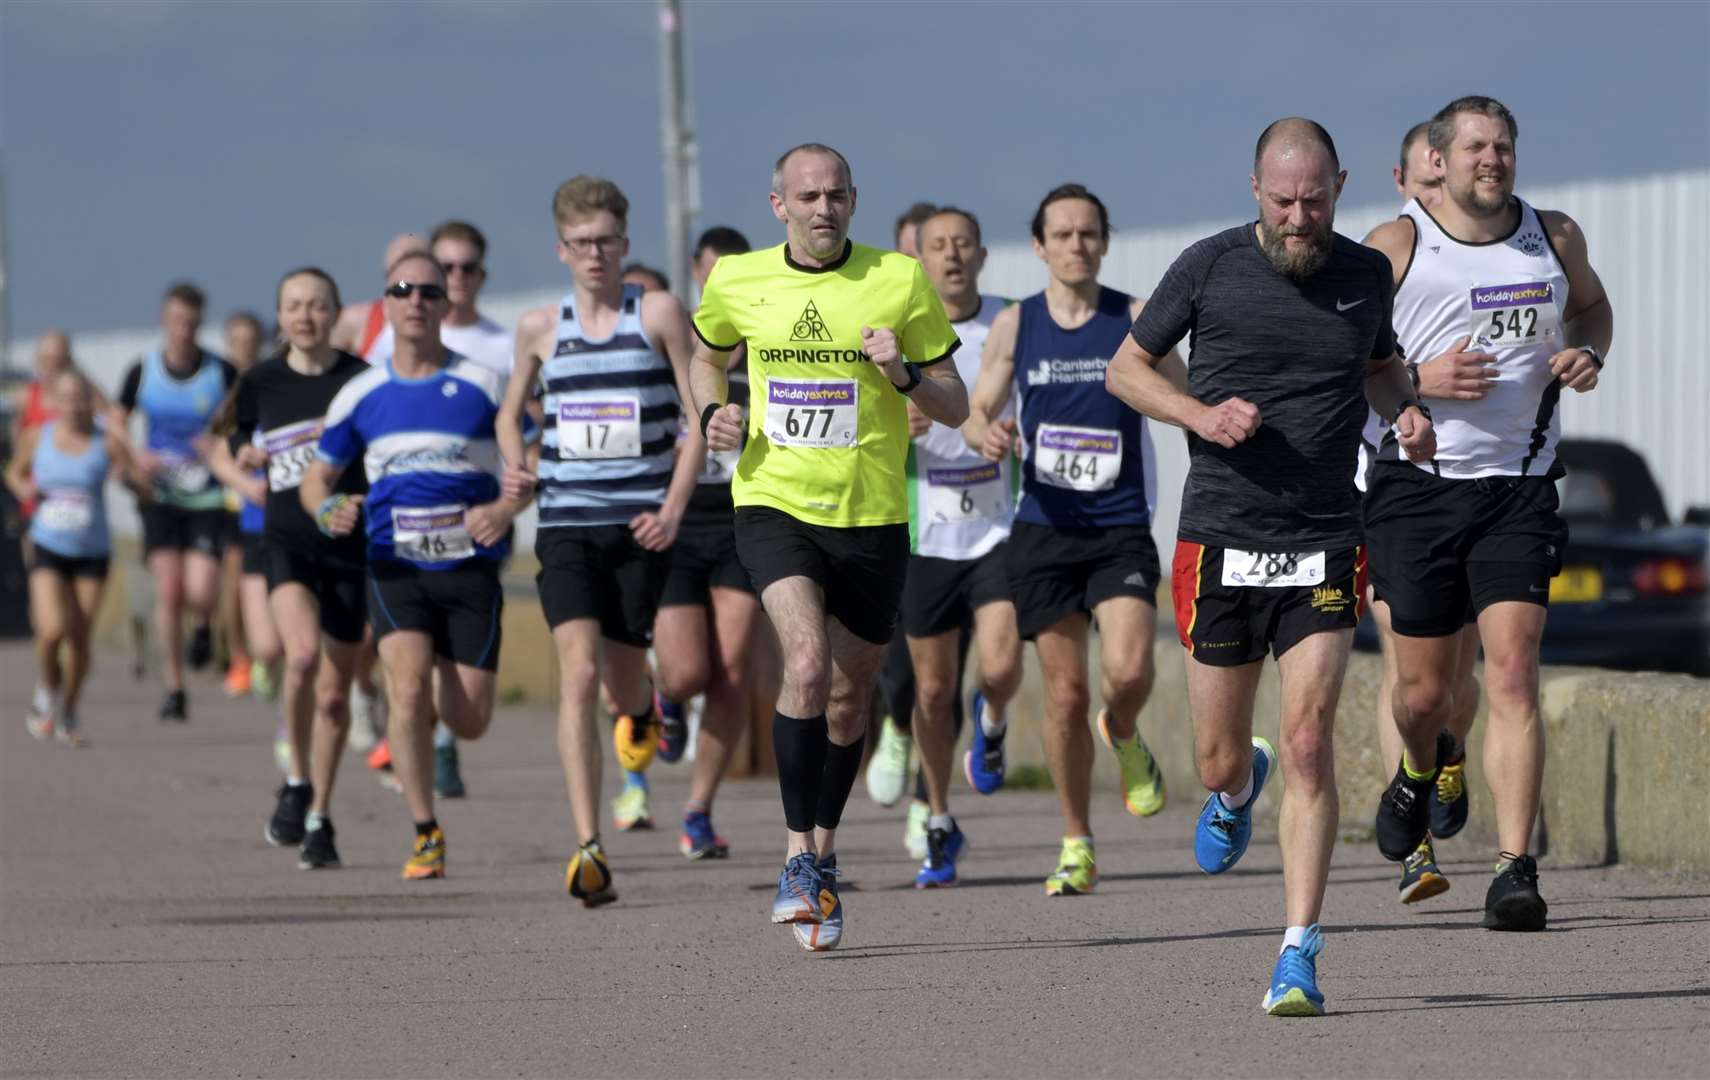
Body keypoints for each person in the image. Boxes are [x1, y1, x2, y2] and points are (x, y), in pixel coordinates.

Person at [1107, 118, 1434, 1016]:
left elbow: (1378, 367)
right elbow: (1126, 371)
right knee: (1219, 762)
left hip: (1326, 536)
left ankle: (1299, 951)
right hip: (1220, 536)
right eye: (1284, 200)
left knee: (1307, 744)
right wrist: (1198, 416)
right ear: (1255, 188)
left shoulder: (1367, 275)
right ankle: (1233, 786)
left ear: (1341, 187)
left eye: (1316, 199)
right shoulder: (1207, 268)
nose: (1300, 218)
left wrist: (1403, 406)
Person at [690, 143, 966, 950]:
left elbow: (954, 404)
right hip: (772, 501)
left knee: (850, 698)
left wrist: (907, 378)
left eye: (835, 195)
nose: (822, 208)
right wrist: (713, 414)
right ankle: (793, 859)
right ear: (778, 205)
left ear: (854, 199)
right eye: (806, 196)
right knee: (804, 665)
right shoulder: (737, 279)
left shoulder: (899, 280)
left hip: (872, 516)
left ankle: (825, 853)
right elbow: (706, 357)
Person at [1362, 95, 1612, 933]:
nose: (1492, 160)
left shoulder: (1556, 236)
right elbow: (1351, 363)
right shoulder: (1396, 247)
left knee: (1510, 671)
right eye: (1474, 148)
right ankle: (1417, 768)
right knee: (1425, 694)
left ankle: (1514, 870)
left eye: (1503, 146)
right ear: (1438, 159)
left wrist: (1587, 351)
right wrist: (1418, 385)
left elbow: (1593, 309)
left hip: (1520, 483)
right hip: (1417, 487)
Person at [963, 183, 1176, 897]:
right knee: (1062, 694)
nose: (1077, 245)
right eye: (1063, 235)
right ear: (1040, 247)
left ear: (1104, 242)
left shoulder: (1135, 317)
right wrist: (985, 432)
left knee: (1130, 671)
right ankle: (1076, 841)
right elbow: (975, 411)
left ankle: (1122, 728)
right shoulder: (1017, 326)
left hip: (1118, 529)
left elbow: (1184, 396)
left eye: (1088, 233)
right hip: (1043, 529)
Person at [497, 176, 701, 905]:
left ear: (625, 244)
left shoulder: (660, 315)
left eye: (606, 242)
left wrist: (674, 508)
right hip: (566, 525)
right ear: (561, 249)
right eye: (581, 244)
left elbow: (699, 418)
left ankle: (643, 709)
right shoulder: (538, 328)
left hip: (640, 526)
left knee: (624, 680)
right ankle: (589, 844)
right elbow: (509, 413)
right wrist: (517, 466)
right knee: (578, 675)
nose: (594, 254)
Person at [301, 251, 535, 880]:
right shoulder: (362, 393)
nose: (416, 301)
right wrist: (327, 513)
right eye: (402, 290)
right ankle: (425, 829)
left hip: (469, 569)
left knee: (470, 719)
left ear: (444, 303)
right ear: (385, 302)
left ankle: (434, 701)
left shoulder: (485, 384)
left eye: (429, 292)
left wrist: (506, 509)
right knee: (404, 692)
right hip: (393, 565)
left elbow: (529, 464)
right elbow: (315, 479)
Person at [211, 269, 371, 869]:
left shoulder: (360, 381)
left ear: (334, 314)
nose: (305, 316)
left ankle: (321, 814)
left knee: (335, 696)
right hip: (285, 543)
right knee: (300, 656)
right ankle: (297, 777)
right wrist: (244, 454)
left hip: (348, 549)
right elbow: (231, 437)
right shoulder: (260, 380)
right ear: (280, 317)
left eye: (317, 306)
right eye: (294, 307)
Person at [1360, 122, 1479, 905]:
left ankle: (1450, 751)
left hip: (1481, 486)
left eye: (1449, 182)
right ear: (1404, 178)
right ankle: (1417, 843)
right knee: (1405, 666)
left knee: (1459, 667)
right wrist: (1417, 381)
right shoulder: (1380, 261)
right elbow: (1340, 365)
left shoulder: (1492, 258)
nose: (1438, 197)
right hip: (1390, 486)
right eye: (1424, 183)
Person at [900, 206, 1022, 887]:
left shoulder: (1008, 320)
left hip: (999, 525)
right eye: (937, 246)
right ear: (918, 258)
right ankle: (940, 819)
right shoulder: (898, 334)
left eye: (962, 245)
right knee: (933, 687)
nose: (951, 256)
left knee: (1000, 666)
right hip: (928, 532)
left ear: (980, 255)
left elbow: (1037, 405)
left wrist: (1020, 437)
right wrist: (902, 424)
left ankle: (995, 719)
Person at [649, 225, 763, 859]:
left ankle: (698, 810)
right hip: (679, 525)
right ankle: (664, 696)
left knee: (733, 669)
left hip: (743, 524)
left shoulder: (771, 351)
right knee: (690, 672)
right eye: (713, 273)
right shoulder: (676, 354)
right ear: (697, 276)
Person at [115, 283, 237, 721]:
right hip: (160, 496)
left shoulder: (220, 371)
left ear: (200, 324)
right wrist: (134, 459)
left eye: (191, 322)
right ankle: (174, 685)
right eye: (175, 321)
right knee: (170, 590)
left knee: (202, 588)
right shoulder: (142, 372)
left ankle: (203, 627)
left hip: (205, 494)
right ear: (163, 322)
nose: (183, 330)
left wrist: (217, 442)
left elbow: (241, 423)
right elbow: (116, 426)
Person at [6, 370, 148, 745]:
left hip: (92, 552)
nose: (73, 405)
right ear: (54, 402)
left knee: (80, 639)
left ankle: (69, 709)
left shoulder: (107, 442)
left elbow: (141, 484)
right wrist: (25, 489)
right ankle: (46, 691)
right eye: (65, 398)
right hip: (48, 544)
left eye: (80, 398)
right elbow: (14, 472)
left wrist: (130, 480)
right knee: (51, 631)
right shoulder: (38, 437)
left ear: (90, 401)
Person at [217, 311, 276, 700]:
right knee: (234, 581)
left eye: (250, 341)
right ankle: (240, 655)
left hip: (270, 502)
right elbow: (215, 443)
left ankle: (263, 653)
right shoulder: (223, 386)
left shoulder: (271, 380)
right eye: (237, 341)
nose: (245, 348)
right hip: (232, 499)